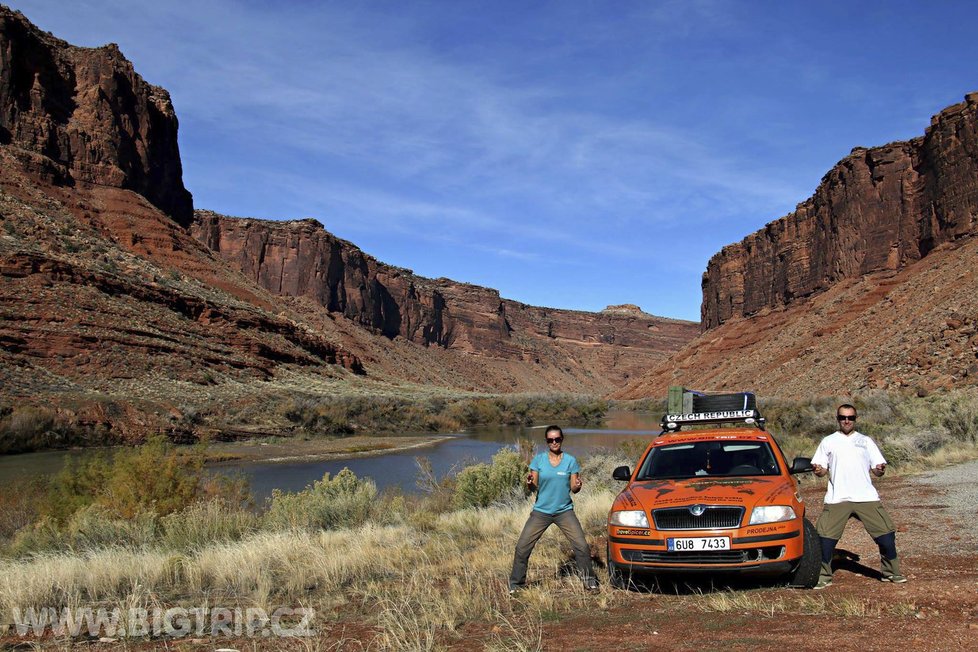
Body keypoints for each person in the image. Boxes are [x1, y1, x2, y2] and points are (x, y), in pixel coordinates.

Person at [810, 404, 906, 589]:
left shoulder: (866, 441)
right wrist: (819, 470)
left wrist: (879, 470)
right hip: (838, 498)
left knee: (886, 536)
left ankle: (891, 573)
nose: (847, 421)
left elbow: (878, 470)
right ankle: (823, 576)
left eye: (851, 417)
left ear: (856, 419)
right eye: (843, 417)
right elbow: (821, 471)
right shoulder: (828, 441)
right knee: (825, 539)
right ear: (837, 419)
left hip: (866, 497)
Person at [508, 425, 599, 593]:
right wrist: (529, 483)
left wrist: (578, 485)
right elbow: (533, 486)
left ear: (562, 439)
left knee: (581, 546)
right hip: (541, 512)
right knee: (522, 547)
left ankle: (590, 581)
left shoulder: (570, 461)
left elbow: (574, 488)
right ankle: (516, 585)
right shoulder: (539, 460)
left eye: (557, 439)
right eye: (550, 440)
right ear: (546, 442)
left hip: (564, 511)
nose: (554, 442)